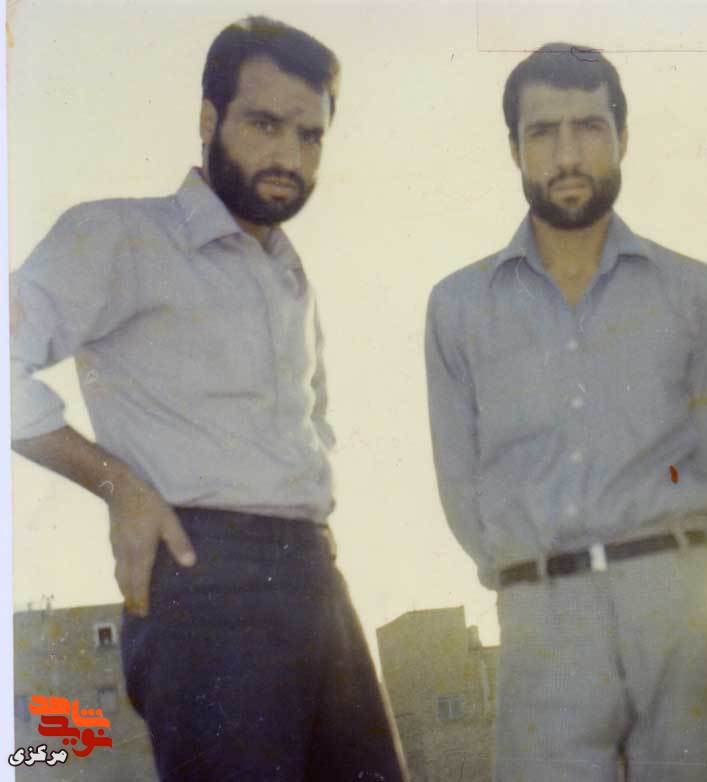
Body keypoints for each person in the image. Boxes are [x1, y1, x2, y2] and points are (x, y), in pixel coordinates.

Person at [10, 16, 406, 781]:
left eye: (310, 135)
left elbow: (314, 425)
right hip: (206, 581)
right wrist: (116, 484)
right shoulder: (120, 237)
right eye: (264, 124)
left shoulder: (288, 273)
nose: (289, 156)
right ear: (207, 118)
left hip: (317, 579)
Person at [425, 42, 707, 782]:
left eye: (589, 127)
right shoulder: (459, 307)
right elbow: (459, 480)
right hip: (544, 618)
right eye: (543, 132)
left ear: (623, 136)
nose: (567, 154)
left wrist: (690, 577)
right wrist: (529, 580)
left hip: (680, 609)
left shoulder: (691, 291)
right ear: (514, 149)